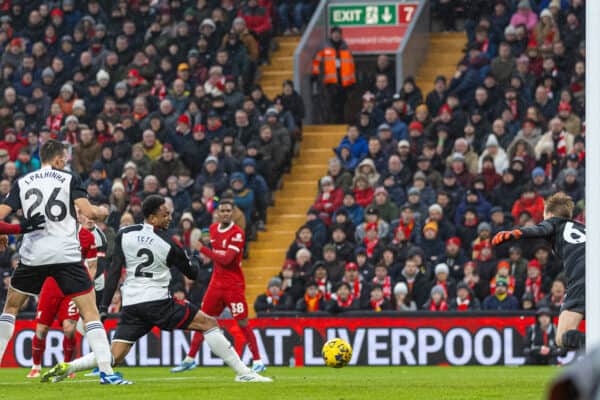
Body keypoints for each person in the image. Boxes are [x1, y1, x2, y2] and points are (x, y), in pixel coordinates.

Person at [43, 195, 271, 383]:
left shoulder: (125, 234)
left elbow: (113, 272)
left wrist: (103, 307)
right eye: (165, 214)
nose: (170, 218)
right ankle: (245, 373)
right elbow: (193, 274)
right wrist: (192, 258)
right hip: (158, 303)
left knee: (114, 356)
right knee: (208, 323)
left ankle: (66, 367)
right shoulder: (168, 242)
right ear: (152, 217)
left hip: (132, 305)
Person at [0, 140, 122, 383]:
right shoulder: (69, 178)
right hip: (65, 255)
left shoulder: (23, 182)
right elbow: (88, 212)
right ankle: (107, 373)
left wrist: (9, 230)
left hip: (33, 255)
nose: (65, 162)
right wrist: (103, 211)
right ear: (57, 159)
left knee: (10, 309)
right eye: (63, 159)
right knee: (91, 313)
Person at [171, 199, 266, 374]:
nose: (225, 214)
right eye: (222, 211)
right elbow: (217, 255)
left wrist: (202, 249)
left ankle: (258, 360)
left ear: (233, 213)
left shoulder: (237, 233)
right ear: (217, 213)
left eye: (228, 211)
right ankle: (190, 359)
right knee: (203, 320)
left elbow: (226, 260)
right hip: (216, 284)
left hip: (233, 286)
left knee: (243, 322)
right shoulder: (213, 229)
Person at [492, 192, 585, 350]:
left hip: (582, 277)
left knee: (563, 337)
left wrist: (514, 233)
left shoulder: (554, 222)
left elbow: (539, 230)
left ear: (548, 213)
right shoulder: (585, 228)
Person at [27, 216, 98, 378]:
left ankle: (67, 367)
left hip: (73, 286)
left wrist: (85, 286)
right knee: (41, 329)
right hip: (51, 284)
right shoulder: (55, 232)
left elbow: (93, 266)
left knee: (69, 329)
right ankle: (36, 366)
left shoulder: (87, 236)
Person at [311, 26, 356, 123]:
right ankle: (329, 123)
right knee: (329, 104)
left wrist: (352, 82)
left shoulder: (346, 48)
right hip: (329, 81)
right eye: (334, 33)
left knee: (342, 103)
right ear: (331, 35)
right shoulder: (324, 47)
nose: (336, 35)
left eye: (338, 34)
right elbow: (316, 61)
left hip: (343, 81)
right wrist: (315, 74)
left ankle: (340, 122)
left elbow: (351, 65)